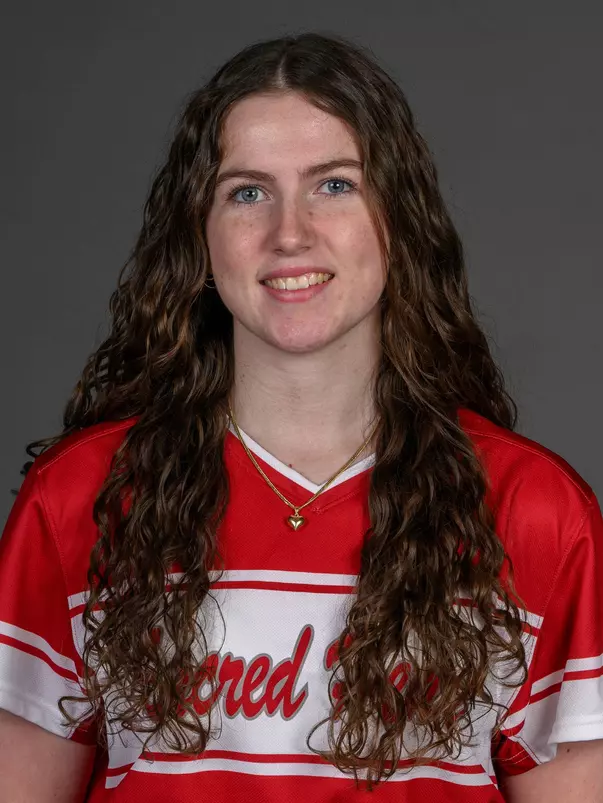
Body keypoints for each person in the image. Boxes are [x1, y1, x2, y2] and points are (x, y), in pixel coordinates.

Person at [0, 30, 601, 803]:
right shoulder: (78, 499)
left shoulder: (532, 512)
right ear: (199, 232)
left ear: (398, 218)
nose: (290, 233)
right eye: (247, 192)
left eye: (334, 185)